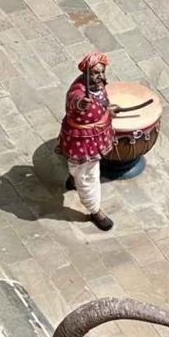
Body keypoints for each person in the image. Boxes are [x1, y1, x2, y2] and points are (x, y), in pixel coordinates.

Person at [57, 50, 119, 232]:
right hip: (82, 142)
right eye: (95, 73)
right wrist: (81, 104)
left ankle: (72, 179)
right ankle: (95, 210)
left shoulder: (98, 85)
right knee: (88, 175)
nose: (100, 76)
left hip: (97, 136)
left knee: (81, 170)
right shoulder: (78, 91)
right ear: (86, 73)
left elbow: (101, 103)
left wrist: (109, 111)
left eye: (102, 71)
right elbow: (76, 101)